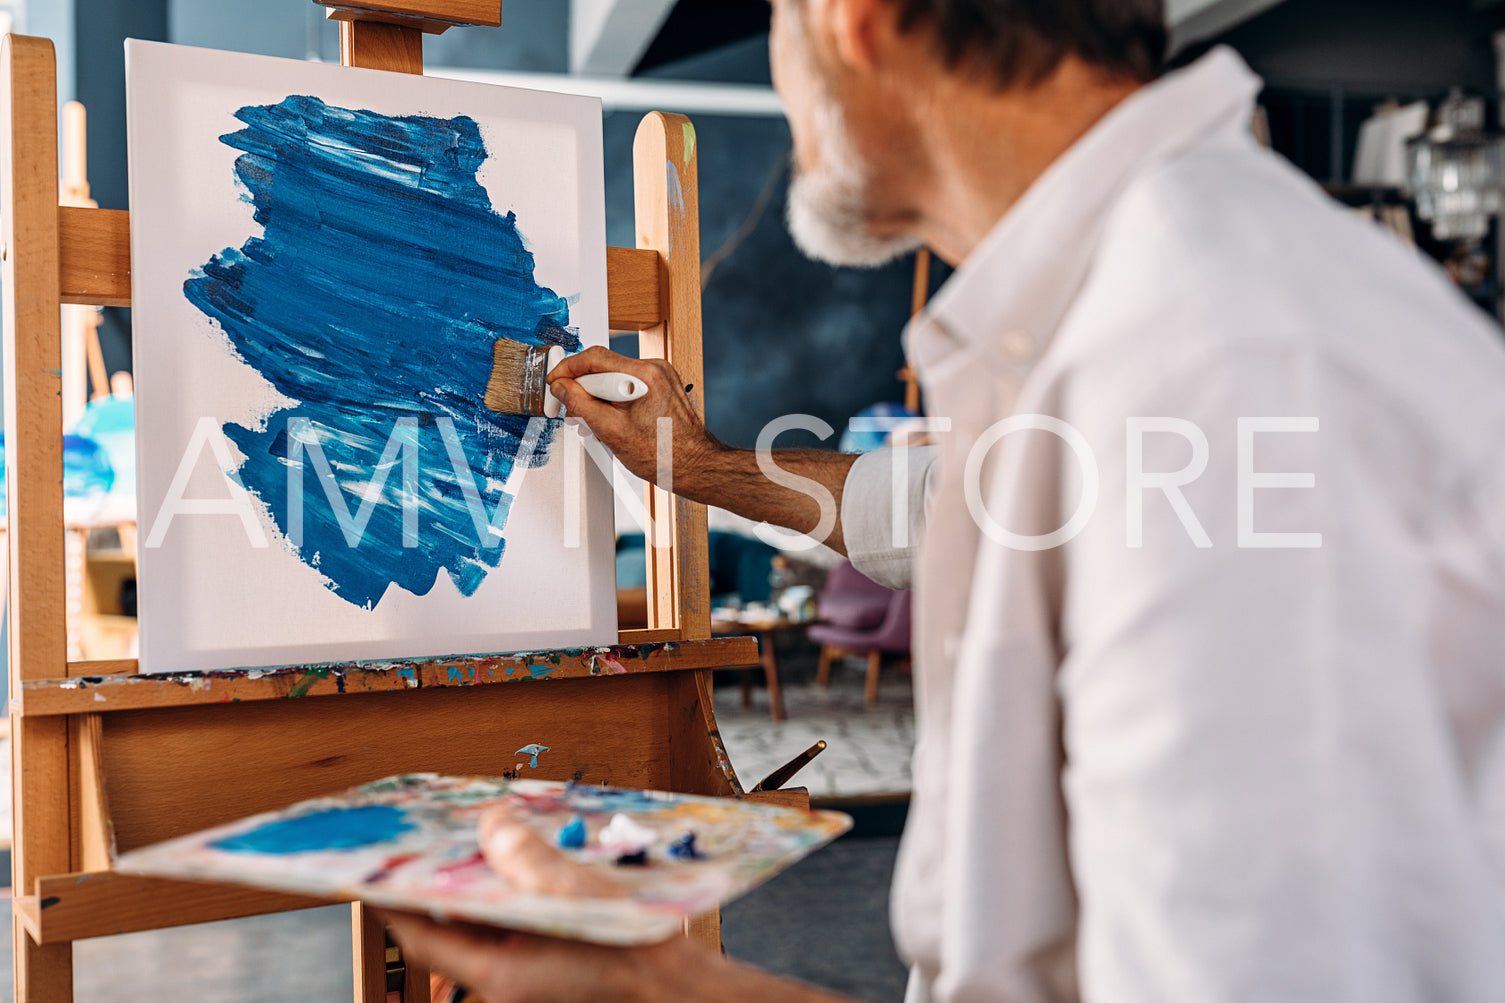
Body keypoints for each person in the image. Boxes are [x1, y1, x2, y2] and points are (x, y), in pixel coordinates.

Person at [389, 0, 1505, 1000]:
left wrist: (660, 991)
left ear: (852, 19)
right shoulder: (1134, 306)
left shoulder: (1223, 363)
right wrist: (699, 465)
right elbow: (938, 503)